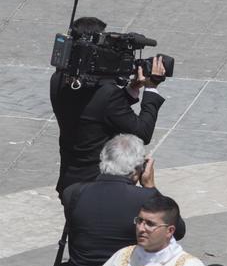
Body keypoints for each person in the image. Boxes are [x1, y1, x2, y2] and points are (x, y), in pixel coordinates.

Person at [62, 134, 186, 266]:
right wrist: (150, 186)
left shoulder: (73, 193)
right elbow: (177, 230)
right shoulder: (144, 199)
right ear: (138, 169)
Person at [50, 17, 166, 199]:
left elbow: (95, 113)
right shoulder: (107, 93)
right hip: (95, 187)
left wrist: (132, 89)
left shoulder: (58, 80)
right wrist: (152, 87)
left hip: (70, 181)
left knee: (74, 227)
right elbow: (143, 132)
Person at [83, 195, 203, 266]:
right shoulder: (123, 257)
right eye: (139, 221)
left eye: (150, 224)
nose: (141, 228)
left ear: (169, 231)